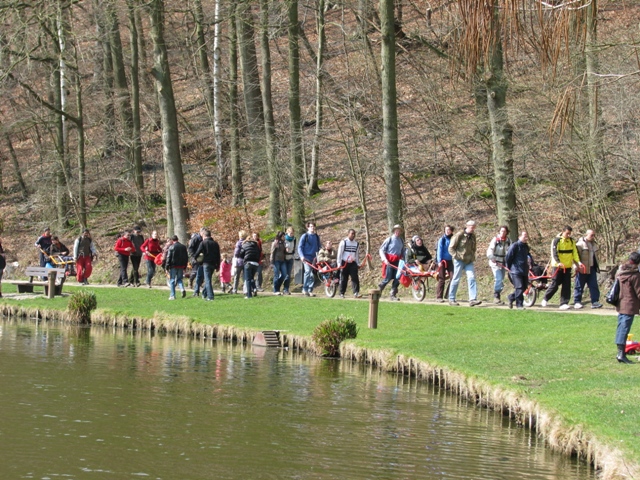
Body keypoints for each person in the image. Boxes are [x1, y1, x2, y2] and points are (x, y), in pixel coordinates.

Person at [541, 225, 584, 310]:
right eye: (567, 233)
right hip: (557, 266)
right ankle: (546, 298)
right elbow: (554, 253)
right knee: (555, 284)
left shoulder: (572, 241)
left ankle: (564, 303)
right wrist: (558, 262)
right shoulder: (557, 241)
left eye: (570, 234)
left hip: (567, 266)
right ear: (563, 231)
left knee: (566, 285)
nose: (568, 235)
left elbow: (574, 253)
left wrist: (578, 262)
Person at [614, 252, 640, 364]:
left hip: (621, 303)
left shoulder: (620, 272)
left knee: (621, 328)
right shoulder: (635, 275)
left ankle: (620, 353)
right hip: (630, 304)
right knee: (624, 329)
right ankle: (621, 354)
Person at [448, 220, 482, 306]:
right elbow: (451, 248)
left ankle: (472, 299)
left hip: (469, 261)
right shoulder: (459, 235)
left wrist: (472, 256)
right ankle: (451, 299)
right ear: (467, 226)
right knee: (456, 279)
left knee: (471, 278)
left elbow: (473, 248)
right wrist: (457, 257)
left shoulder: (473, 236)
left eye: (474, 227)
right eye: (471, 227)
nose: (473, 228)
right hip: (459, 260)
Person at [574, 229, 602, 309]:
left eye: (594, 235)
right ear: (586, 234)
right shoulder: (580, 244)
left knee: (594, 286)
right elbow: (575, 257)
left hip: (592, 268)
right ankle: (577, 301)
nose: (593, 237)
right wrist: (576, 267)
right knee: (579, 285)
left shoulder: (594, 244)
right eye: (591, 235)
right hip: (582, 268)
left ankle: (595, 301)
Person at [378, 224, 406, 301]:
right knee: (388, 277)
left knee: (398, 278)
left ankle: (392, 294)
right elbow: (381, 250)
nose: (397, 232)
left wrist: (405, 260)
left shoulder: (401, 241)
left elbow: (403, 251)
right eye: (396, 230)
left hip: (398, 261)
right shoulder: (389, 240)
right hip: (389, 261)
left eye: (399, 230)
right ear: (394, 231)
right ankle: (379, 289)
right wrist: (384, 259)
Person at [486, 226, 512, 305]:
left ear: (506, 232)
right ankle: (496, 296)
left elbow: (511, 251)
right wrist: (492, 257)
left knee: (501, 280)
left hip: (503, 263)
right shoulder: (495, 240)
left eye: (504, 231)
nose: (502, 233)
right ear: (499, 232)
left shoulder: (508, 241)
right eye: (501, 231)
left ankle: (498, 296)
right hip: (495, 263)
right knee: (498, 279)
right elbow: (489, 250)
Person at [505, 231, 530, 310]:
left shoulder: (526, 247)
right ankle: (519, 305)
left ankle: (511, 297)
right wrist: (509, 267)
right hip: (515, 270)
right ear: (519, 237)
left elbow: (528, 256)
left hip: (524, 270)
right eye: (524, 236)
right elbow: (508, 257)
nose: (526, 238)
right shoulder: (515, 246)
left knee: (524, 287)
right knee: (519, 287)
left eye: (526, 236)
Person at [194, 230, 221, 301]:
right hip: (213, 264)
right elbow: (218, 256)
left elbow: (197, 252)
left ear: (204, 236)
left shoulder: (203, 243)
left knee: (207, 280)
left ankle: (210, 296)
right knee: (208, 279)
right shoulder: (215, 243)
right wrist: (218, 265)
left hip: (206, 263)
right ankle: (204, 293)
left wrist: (195, 258)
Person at [298, 222, 321, 297]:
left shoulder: (317, 237)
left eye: (313, 226)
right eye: (311, 226)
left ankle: (310, 290)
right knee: (307, 272)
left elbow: (319, 247)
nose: (312, 228)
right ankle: (304, 289)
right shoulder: (305, 236)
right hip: (306, 257)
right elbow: (300, 247)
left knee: (312, 275)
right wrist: (301, 256)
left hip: (314, 258)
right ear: (308, 227)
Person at [337, 228, 361, 299]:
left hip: (352, 263)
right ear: (348, 234)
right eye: (352, 234)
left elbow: (356, 254)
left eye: (354, 234)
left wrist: (357, 263)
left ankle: (356, 292)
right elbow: (339, 254)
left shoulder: (356, 244)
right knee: (344, 278)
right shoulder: (343, 242)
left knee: (355, 277)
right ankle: (341, 293)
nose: (353, 235)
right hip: (344, 262)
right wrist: (339, 263)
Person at [164, 235, 188, 300]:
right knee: (179, 279)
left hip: (173, 266)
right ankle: (182, 289)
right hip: (181, 266)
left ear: (172, 240)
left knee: (172, 280)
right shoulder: (183, 247)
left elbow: (168, 257)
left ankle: (172, 295)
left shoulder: (171, 247)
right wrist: (185, 267)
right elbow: (186, 258)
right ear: (178, 239)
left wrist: (166, 267)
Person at [435, 225, 454, 302]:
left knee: (453, 278)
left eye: (449, 230)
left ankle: (449, 294)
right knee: (442, 279)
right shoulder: (442, 240)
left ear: (451, 231)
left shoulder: (453, 239)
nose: (447, 231)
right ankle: (439, 297)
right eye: (446, 230)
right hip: (442, 261)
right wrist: (439, 261)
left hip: (450, 261)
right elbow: (439, 250)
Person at [240, 234, 261, 299]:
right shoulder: (256, 245)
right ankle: (254, 288)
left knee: (248, 279)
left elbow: (241, 254)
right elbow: (259, 253)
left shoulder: (244, 245)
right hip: (255, 263)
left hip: (248, 263)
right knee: (251, 277)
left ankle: (249, 295)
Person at [188, 228, 205, 296]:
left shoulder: (204, 239)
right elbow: (190, 248)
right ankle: (191, 280)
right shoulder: (195, 239)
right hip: (195, 258)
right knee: (195, 272)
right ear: (200, 232)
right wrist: (194, 256)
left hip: (202, 258)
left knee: (201, 273)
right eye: (203, 233)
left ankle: (199, 285)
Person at [270, 231, 287, 295]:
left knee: (284, 274)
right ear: (280, 237)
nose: (284, 237)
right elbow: (272, 252)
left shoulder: (284, 243)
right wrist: (271, 262)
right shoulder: (275, 242)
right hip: (276, 261)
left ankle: (277, 286)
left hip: (282, 260)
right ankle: (275, 290)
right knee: (276, 275)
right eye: (283, 236)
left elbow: (284, 252)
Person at [283, 226, 297, 295]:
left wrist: (295, 256)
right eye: (290, 233)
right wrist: (285, 248)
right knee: (283, 274)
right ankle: (277, 287)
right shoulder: (284, 239)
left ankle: (286, 289)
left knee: (288, 275)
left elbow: (295, 248)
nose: (292, 234)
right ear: (287, 232)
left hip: (290, 258)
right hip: (284, 258)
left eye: (293, 233)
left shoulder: (294, 239)